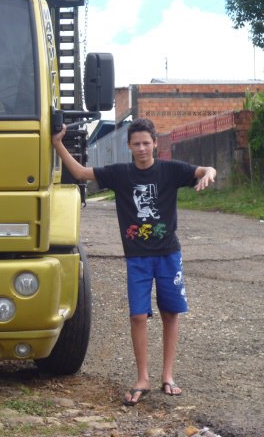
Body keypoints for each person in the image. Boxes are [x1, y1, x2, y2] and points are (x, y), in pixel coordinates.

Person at [52, 118, 216, 406]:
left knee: (170, 314)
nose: (142, 148)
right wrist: (57, 143)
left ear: (155, 144)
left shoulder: (170, 170)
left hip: (168, 255)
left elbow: (204, 169)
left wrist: (209, 174)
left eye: (146, 143)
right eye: (136, 144)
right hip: (137, 258)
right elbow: (79, 172)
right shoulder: (120, 174)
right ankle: (143, 378)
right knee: (138, 316)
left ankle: (168, 376)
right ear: (129, 146)